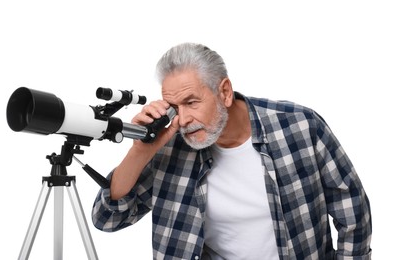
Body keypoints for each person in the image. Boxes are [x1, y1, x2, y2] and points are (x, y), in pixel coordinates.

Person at [92, 42, 372, 259]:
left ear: (224, 91)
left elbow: (351, 208)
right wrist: (141, 150)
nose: (184, 118)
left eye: (192, 102)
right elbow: (108, 218)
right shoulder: (171, 144)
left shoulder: (299, 126)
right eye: (175, 108)